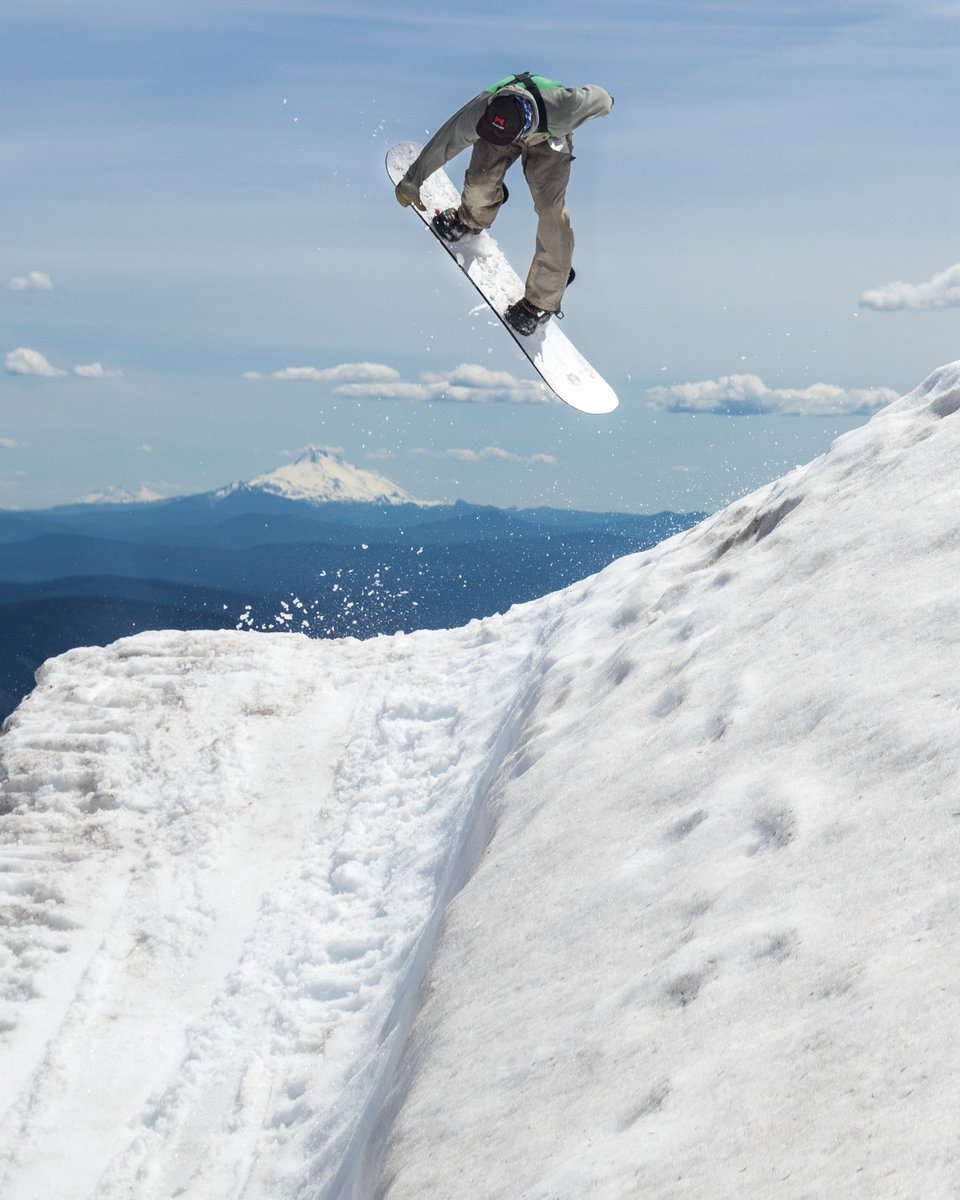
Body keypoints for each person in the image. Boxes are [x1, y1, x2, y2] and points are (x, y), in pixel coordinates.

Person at [395, 72, 613, 336]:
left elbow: (601, 98)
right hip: (498, 128)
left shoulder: (565, 106)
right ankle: (471, 218)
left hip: (549, 140)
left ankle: (541, 302)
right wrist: (412, 180)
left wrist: (608, 101)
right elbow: (447, 140)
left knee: (551, 211)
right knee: (480, 179)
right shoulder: (482, 110)